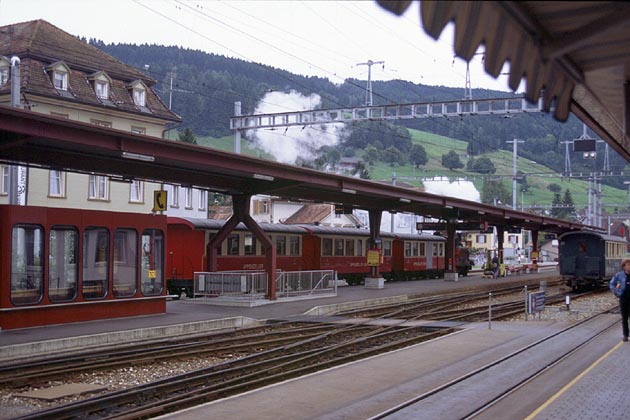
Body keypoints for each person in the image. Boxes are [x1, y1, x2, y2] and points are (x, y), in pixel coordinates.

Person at [609, 258, 630, 342]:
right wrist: (617, 292)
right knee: (624, 318)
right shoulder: (619, 275)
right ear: (624, 266)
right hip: (624, 298)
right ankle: (625, 335)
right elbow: (611, 284)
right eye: (628, 265)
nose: (629, 267)